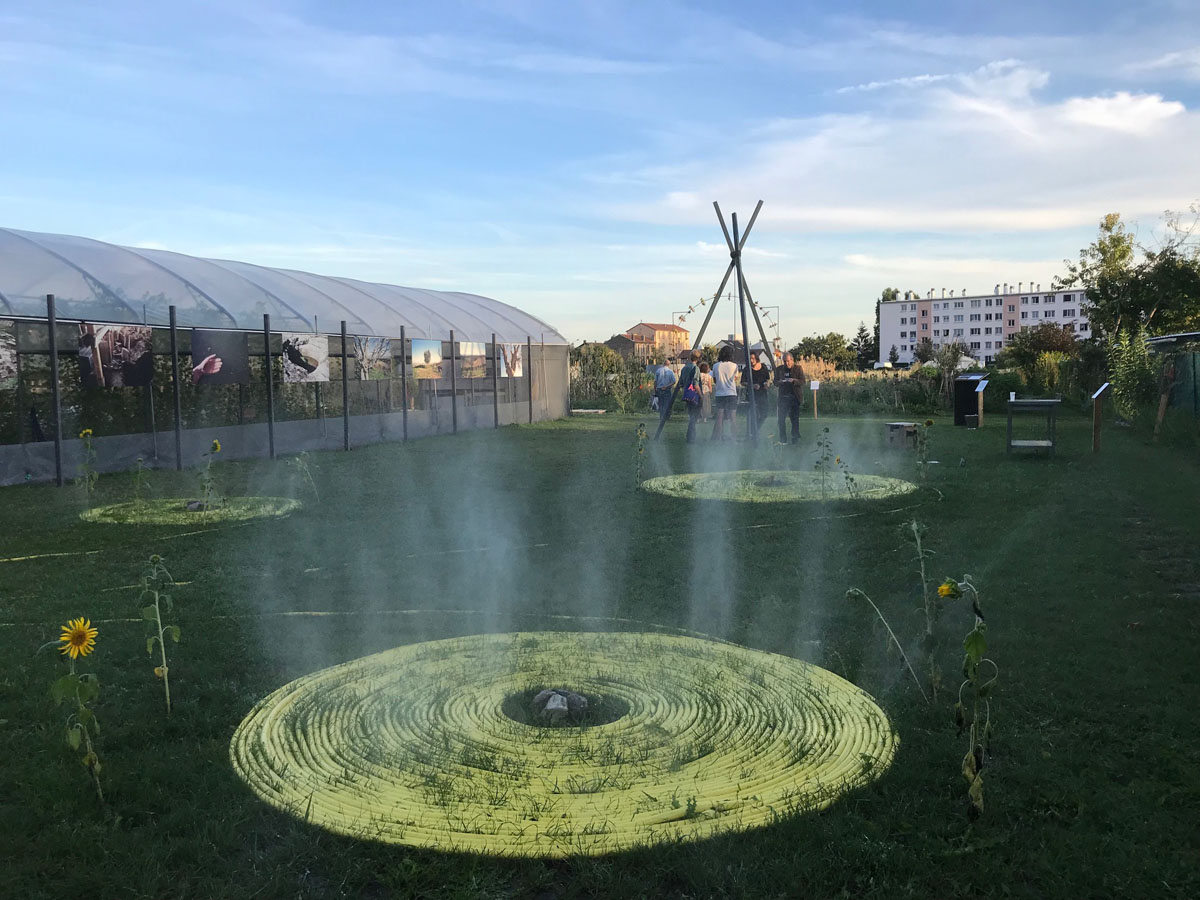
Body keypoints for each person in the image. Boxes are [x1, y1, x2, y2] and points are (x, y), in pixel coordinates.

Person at [709, 345, 739, 441]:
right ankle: (734, 439)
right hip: (731, 393)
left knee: (719, 418)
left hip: (720, 394)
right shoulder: (734, 366)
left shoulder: (716, 366)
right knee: (732, 418)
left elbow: (715, 379)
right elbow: (735, 378)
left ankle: (718, 438)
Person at [775, 351, 802, 443]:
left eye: (788, 361)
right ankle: (783, 438)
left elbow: (803, 381)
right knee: (781, 419)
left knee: (794, 419)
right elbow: (775, 382)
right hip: (783, 398)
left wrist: (794, 380)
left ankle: (795, 437)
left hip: (794, 397)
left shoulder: (798, 369)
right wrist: (780, 382)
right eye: (785, 361)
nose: (787, 363)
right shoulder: (779, 369)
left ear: (792, 360)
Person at [741, 350, 770, 434]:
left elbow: (768, 379)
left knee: (764, 413)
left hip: (762, 393)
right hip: (751, 394)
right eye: (749, 359)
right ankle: (752, 432)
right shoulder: (746, 369)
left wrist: (767, 384)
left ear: (757, 358)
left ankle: (755, 429)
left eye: (753, 358)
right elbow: (742, 382)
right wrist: (752, 385)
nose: (751, 360)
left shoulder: (764, 367)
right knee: (754, 414)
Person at [678, 350, 702, 443]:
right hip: (694, 395)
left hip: (687, 394)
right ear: (698, 358)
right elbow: (696, 384)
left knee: (691, 415)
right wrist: (701, 396)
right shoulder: (695, 368)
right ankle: (690, 436)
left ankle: (692, 435)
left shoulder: (684, 368)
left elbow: (681, 382)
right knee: (694, 417)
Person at [652, 358, 677, 428]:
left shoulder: (658, 371)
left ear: (663, 364)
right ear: (669, 365)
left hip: (659, 389)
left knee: (661, 403)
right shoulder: (670, 372)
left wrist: (655, 390)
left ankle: (661, 416)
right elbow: (673, 381)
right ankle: (666, 417)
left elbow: (655, 382)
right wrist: (666, 386)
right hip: (667, 389)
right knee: (667, 403)